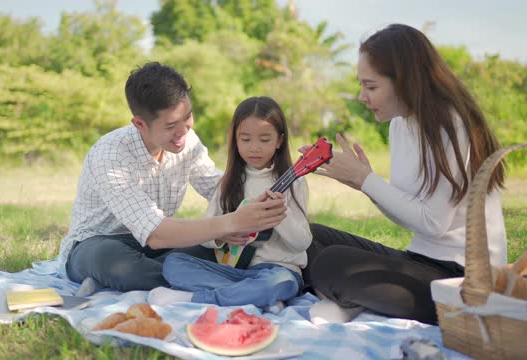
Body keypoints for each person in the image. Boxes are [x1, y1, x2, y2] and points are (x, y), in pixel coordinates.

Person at [303, 24, 507, 325]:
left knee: (331, 264)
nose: (362, 96)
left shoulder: (452, 126)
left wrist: (366, 180)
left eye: (371, 87)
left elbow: (433, 223)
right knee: (305, 236)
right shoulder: (400, 125)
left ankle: (350, 299)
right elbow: (409, 216)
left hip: (461, 282)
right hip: (420, 262)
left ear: (406, 82)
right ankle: (354, 299)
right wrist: (365, 185)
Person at [57, 63, 287, 294]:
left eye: (187, 117)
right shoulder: (109, 155)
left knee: (240, 246)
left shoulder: (187, 141)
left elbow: (219, 188)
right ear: (140, 124)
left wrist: (263, 200)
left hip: (160, 247)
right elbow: (156, 233)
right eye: (170, 125)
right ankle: (224, 283)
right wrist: (230, 222)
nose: (182, 132)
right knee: (122, 267)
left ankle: (183, 277)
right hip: (99, 244)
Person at [147, 96, 312, 312]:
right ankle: (256, 297)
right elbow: (207, 235)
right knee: (174, 264)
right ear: (235, 140)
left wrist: (281, 215)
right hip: (234, 271)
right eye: (245, 139)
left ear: (279, 141)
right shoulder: (227, 182)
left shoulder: (294, 182)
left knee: (279, 283)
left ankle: (197, 299)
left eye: (264, 139)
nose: (254, 148)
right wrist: (221, 235)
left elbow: (301, 244)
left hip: (279, 269)